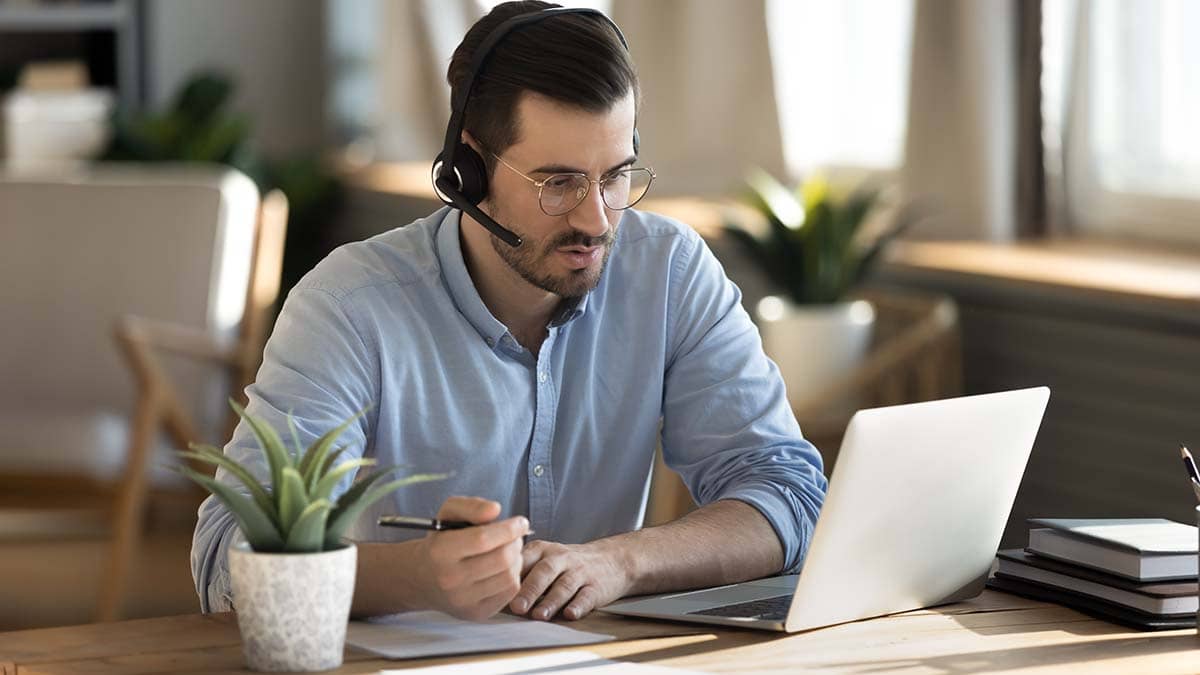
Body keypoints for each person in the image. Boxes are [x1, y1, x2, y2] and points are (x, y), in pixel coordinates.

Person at [192, 0, 827, 623]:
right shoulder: (348, 305)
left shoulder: (671, 271)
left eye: (615, 176)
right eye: (558, 184)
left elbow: (788, 495)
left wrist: (620, 563)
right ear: (470, 169)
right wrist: (414, 575)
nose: (596, 219)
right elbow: (229, 558)